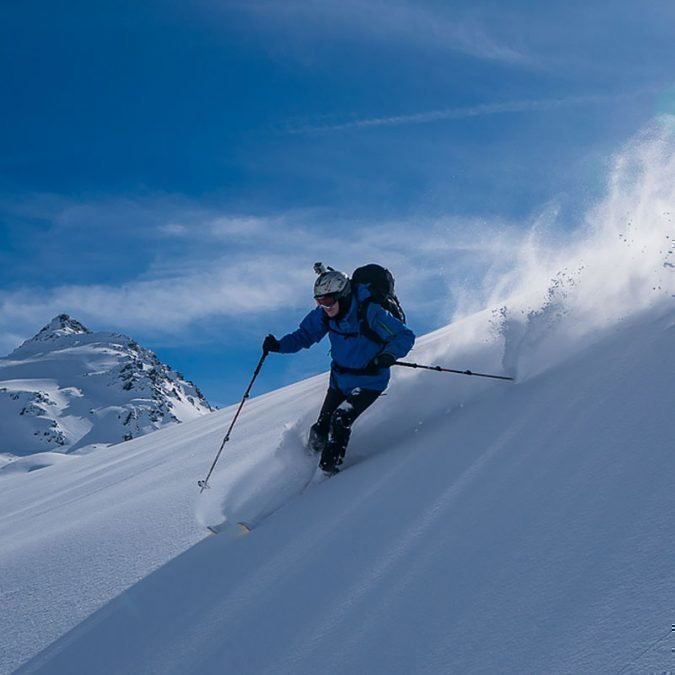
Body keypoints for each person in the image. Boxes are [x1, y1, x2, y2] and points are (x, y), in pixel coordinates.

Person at [262, 264, 415, 476]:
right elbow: (304, 335)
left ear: (342, 295)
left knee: (341, 420)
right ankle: (304, 468)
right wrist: (278, 346)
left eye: (328, 301)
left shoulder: (370, 311)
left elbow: (404, 336)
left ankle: (328, 475)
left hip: (370, 380)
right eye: (319, 301)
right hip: (340, 380)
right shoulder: (326, 314)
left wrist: (387, 356)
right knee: (320, 428)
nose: (324, 306)